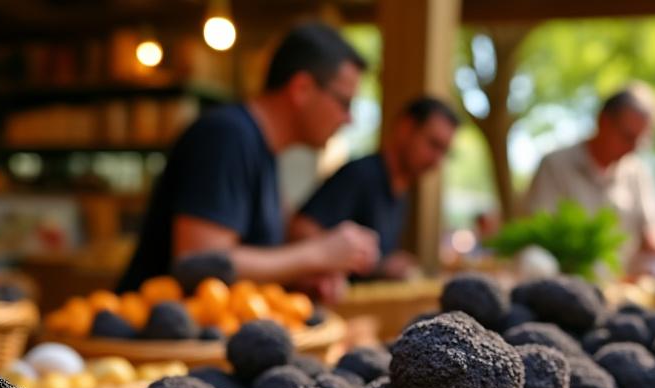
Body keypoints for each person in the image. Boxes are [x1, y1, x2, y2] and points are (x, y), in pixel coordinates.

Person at [119, 22, 379, 293]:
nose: (349, 119)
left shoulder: (263, 152)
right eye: (345, 103)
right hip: (149, 331)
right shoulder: (227, 136)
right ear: (301, 88)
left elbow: (255, 264)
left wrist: (306, 275)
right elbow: (199, 263)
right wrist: (317, 254)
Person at [292, 96, 460, 281]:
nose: (437, 160)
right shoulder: (361, 175)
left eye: (444, 152)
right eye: (433, 144)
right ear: (406, 128)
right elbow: (300, 229)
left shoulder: (400, 192)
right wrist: (376, 265)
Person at [523, 83, 655, 274]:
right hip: (565, 281)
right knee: (533, 259)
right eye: (628, 136)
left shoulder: (638, 174)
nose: (634, 147)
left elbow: (654, 228)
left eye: (641, 140)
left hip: (623, 286)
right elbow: (540, 230)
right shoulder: (555, 165)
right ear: (603, 122)